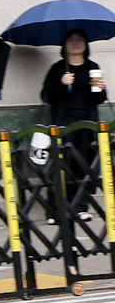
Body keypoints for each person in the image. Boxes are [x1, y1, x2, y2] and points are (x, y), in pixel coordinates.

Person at [39, 29, 108, 219]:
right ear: (65, 45)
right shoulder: (58, 68)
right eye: (71, 40)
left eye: (79, 40)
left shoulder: (93, 67)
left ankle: (81, 207)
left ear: (86, 45)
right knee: (60, 165)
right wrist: (61, 83)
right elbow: (46, 96)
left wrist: (101, 89)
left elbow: (99, 99)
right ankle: (55, 210)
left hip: (87, 123)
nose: (75, 43)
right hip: (63, 122)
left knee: (83, 165)